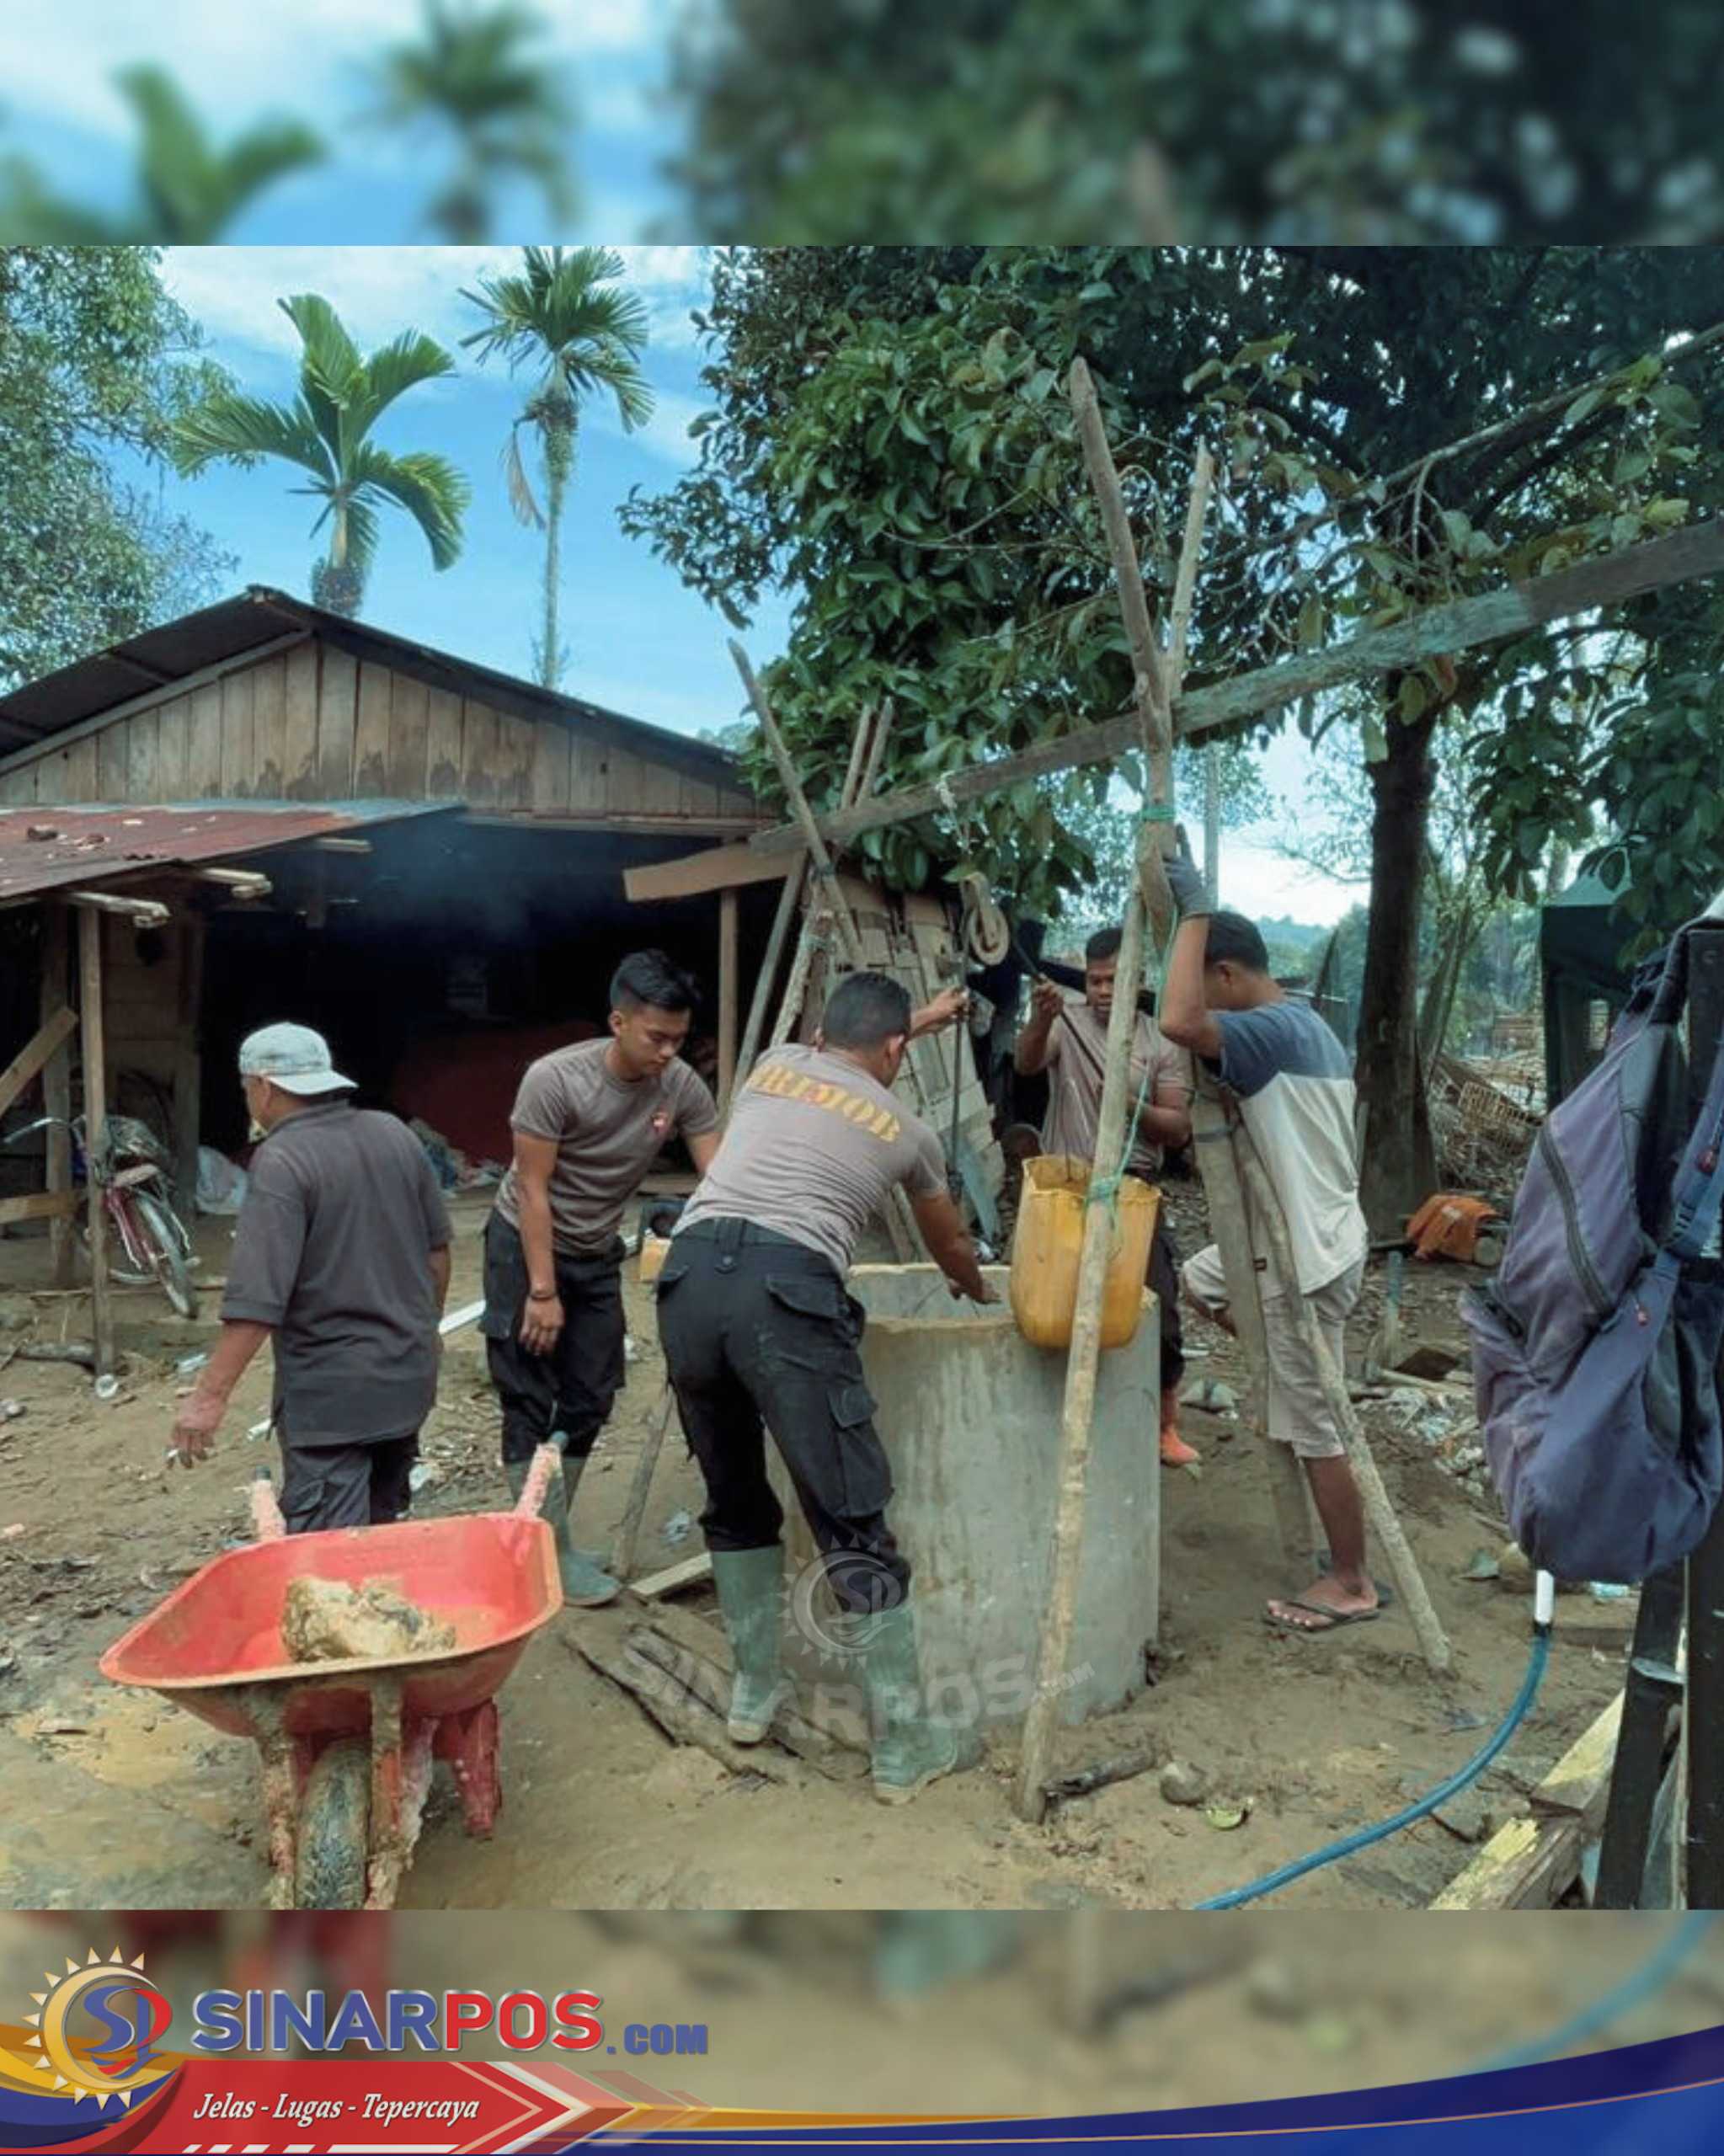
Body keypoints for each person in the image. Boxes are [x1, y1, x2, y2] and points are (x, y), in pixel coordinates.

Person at [655, 970, 989, 1806]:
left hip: (689, 1279)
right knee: (853, 1520)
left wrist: (920, 1019)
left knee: (734, 1499)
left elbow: (857, 1040)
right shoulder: (911, 1132)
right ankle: (906, 1747)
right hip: (785, 1292)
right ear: (895, 1050)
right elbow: (949, 1245)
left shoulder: (774, 1063)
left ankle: (751, 1698)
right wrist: (978, 1287)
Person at [1156, 867, 1376, 1634]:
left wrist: (1194, 908)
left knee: (1316, 1426)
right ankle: (1276, 1372)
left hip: (1304, 1255)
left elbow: (1179, 1022)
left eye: (1201, 975)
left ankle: (1350, 1581)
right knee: (1197, 1277)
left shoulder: (1276, 1030)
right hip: (1289, 1238)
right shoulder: (1301, 1025)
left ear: (1224, 972)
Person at [484, 951, 721, 1606]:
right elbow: (532, 1190)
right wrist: (541, 1292)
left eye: (679, 1038)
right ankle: (544, 1550)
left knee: (591, 1392)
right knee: (527, 1393)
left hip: (595, 1250)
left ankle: (546, 1534)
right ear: (618, 1022)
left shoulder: (680, 1087)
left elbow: (718, 1177)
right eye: (656, 1037)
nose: (669, 1053)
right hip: (526, 1243)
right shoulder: (555, 1080)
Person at [168, 1024, 451, 1534]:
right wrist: (423, 1332)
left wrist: (208, 1397)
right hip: (407, 1380)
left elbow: (257, 1301)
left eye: (246, 1088)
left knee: (331, 1558)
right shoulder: (394, 1134)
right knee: (382, 1530)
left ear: (265, 1088)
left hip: (333, 1401)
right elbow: (437, 1254)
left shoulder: (281, 1160)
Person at [1013, 925, 1198, 1468]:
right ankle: (1051, 1412)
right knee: (1052, 1306)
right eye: (1094, 980)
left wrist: (1127, 1096)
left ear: (1135, 981)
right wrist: (1042, 1016)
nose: (1099, 991)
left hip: (1134, 1189)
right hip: (1066, 1187)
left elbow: (1178, 1127)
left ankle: (1164, 1423)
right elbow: (1026, 1063)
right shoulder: (1064, 1018)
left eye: (1112, 981)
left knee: (1158, 1311)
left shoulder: (1159, 1040)